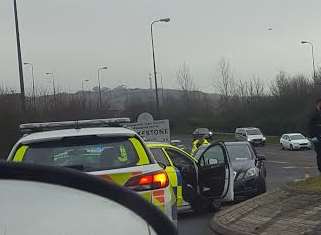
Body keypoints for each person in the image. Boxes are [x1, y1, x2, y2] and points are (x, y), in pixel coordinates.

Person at [308, 98, 321, 172]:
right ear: (318, 104)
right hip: (317, 138)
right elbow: (310, 126)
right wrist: (313, 136)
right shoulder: (314, 114)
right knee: (319, 153)